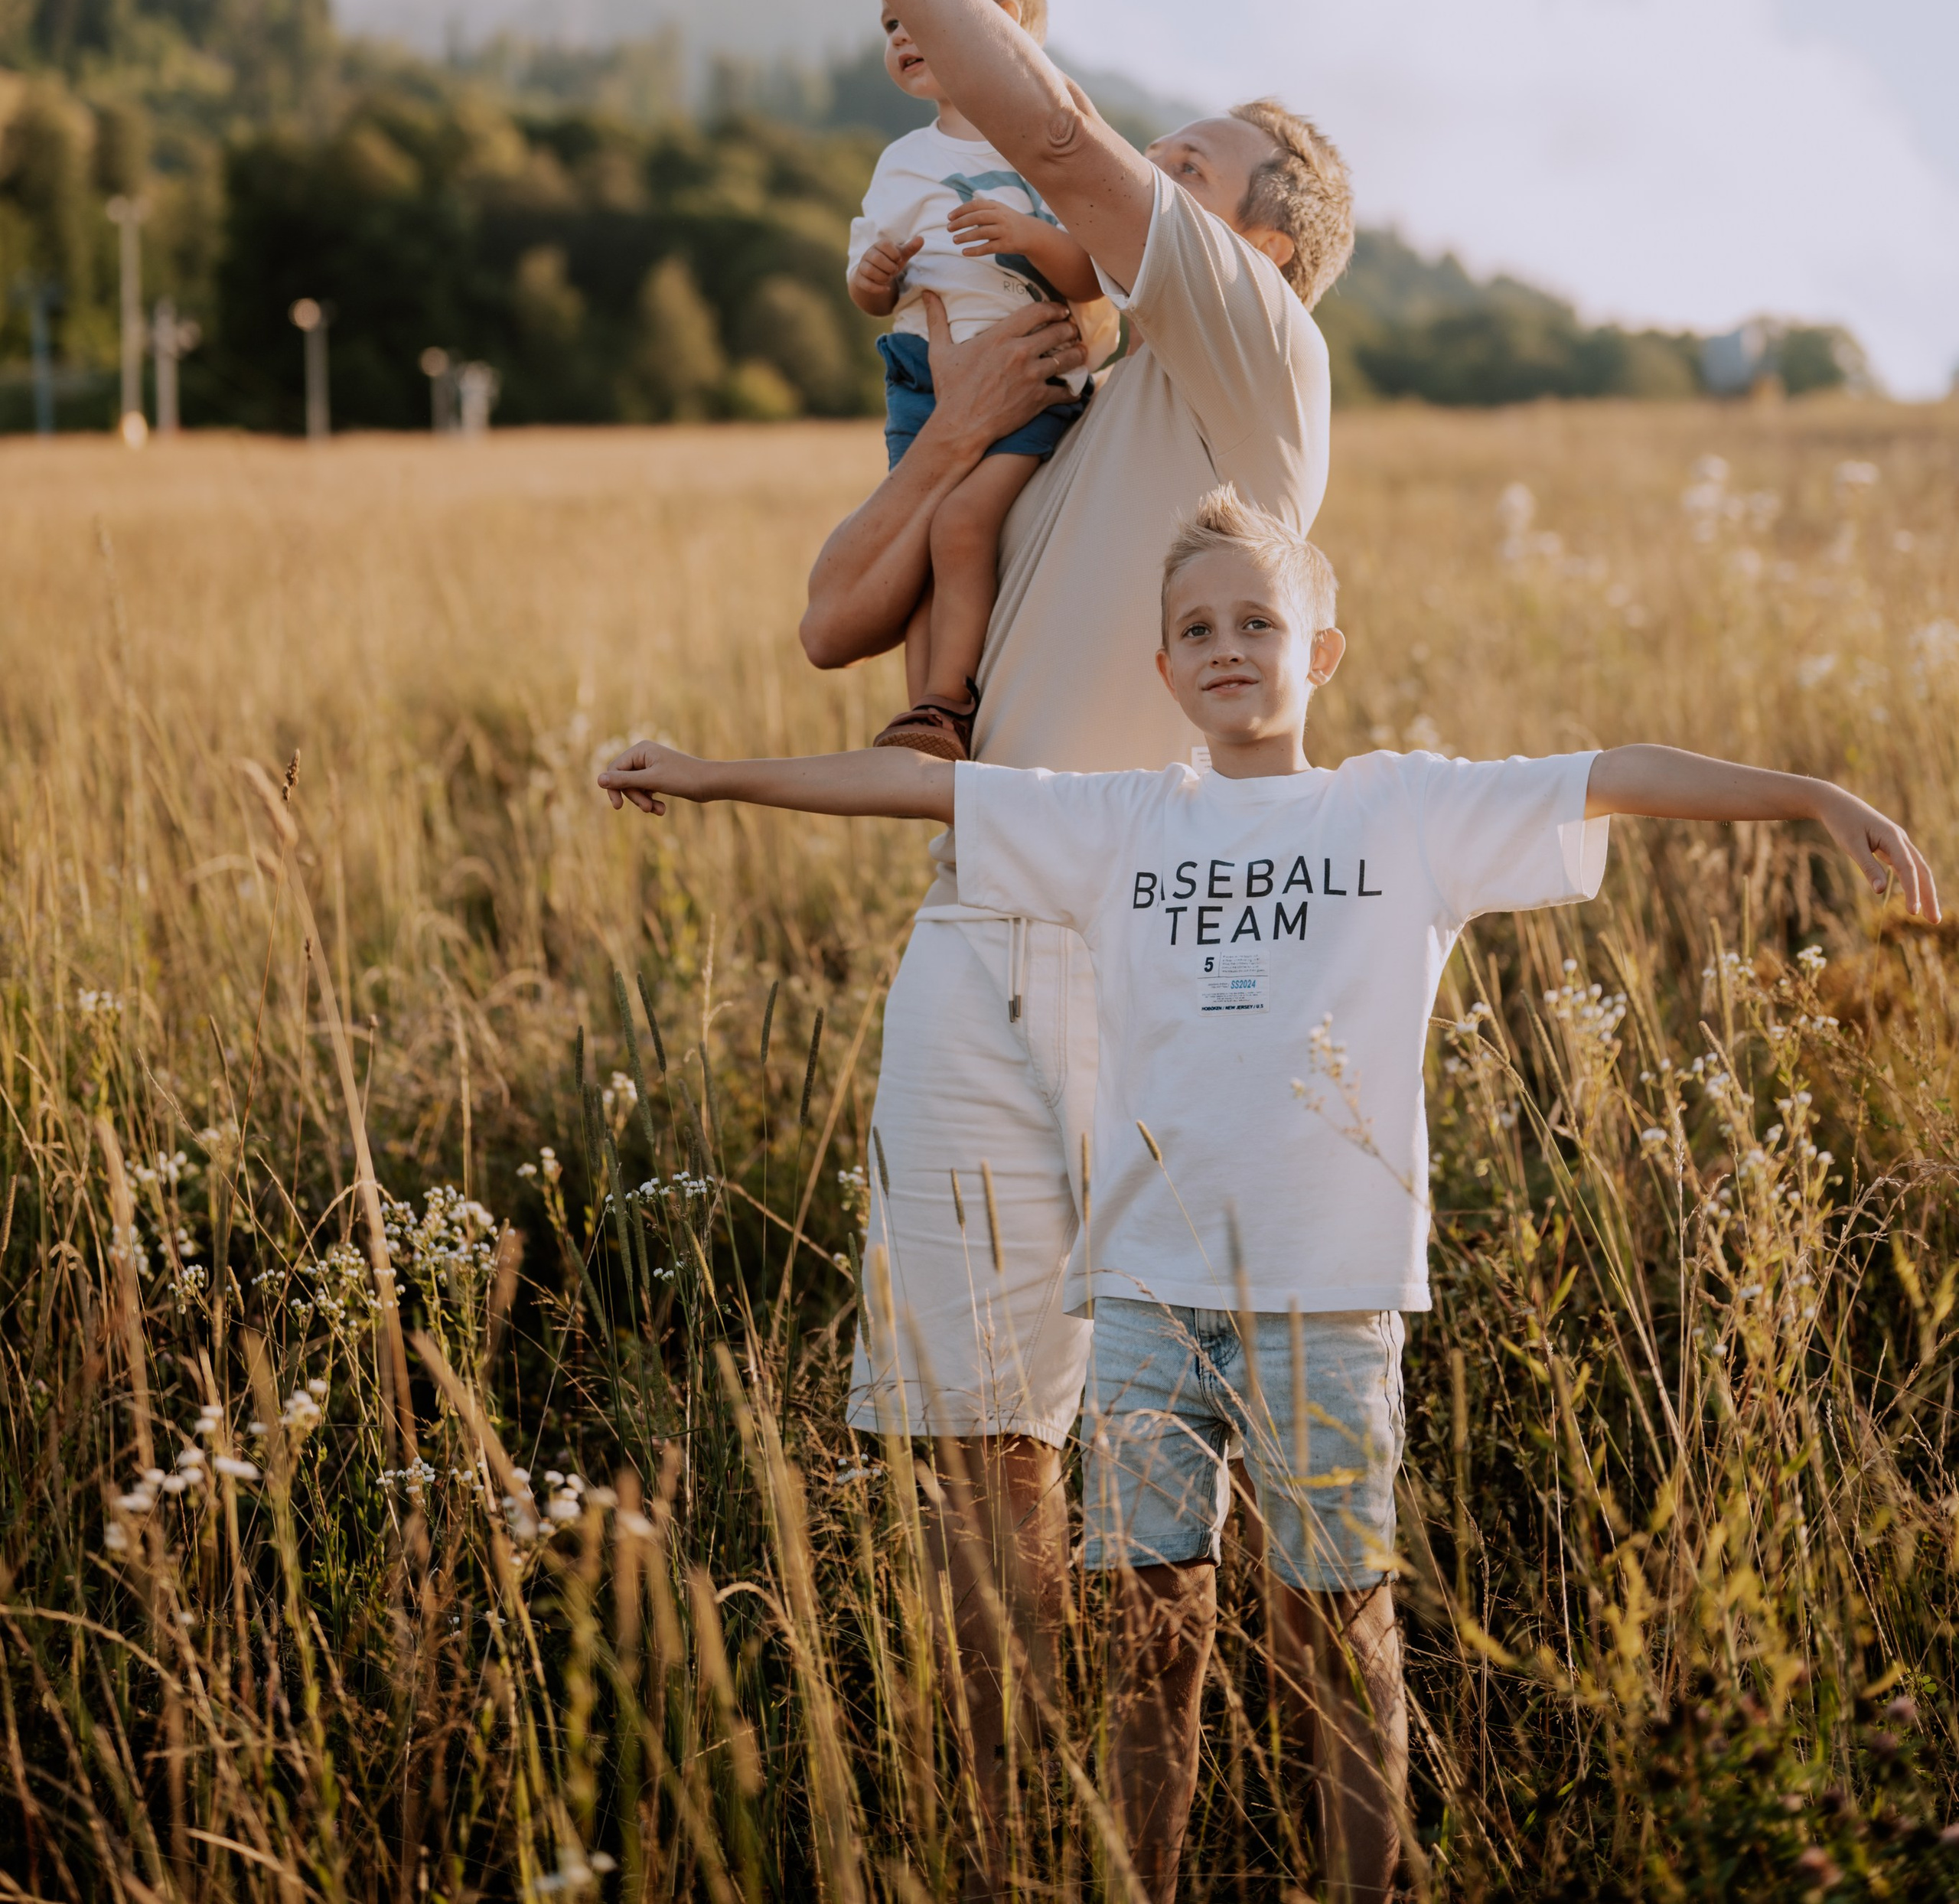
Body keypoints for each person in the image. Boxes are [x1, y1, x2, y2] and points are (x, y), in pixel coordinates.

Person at [597, 483, 1938, 1904]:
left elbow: (1614, 771)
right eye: (1195, 627)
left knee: (1342, 1634)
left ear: (1323, 650)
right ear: (1163, 671)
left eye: (1258, 618)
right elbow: (921, 787)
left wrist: (1811, 795)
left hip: (1329, 1300)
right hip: (1145, 1307)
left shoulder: (1405, 808)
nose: (1227, 644)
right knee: (1149, 1647)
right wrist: (702, 772)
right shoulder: (1121, 822)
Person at [718, 0, 1352, 1883]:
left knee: (1152, 1463)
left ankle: (1150, 1855)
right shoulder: (1063, 401)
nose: (1133, 156)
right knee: (980, 1461)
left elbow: (1058, 133)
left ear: (1254, 242)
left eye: (1195, 164)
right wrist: (961, 428)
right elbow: (833, 622)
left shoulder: (1250, 364)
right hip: (970, 933)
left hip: (1154, 942)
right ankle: (1020, 1851)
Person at [844, 0, 1115, 758]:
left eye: (916, 12)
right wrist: (878, 274)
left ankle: (949, 699)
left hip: (1026, 376)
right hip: (921, 382)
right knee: (920, 540)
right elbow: (863, 287)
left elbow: (1092, 277)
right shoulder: (901, 160)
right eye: (888, 23)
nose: (899, 35)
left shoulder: (1050, 146)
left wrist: (1028, 237)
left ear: (990, 19)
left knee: (960, 521)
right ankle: (923, 720)